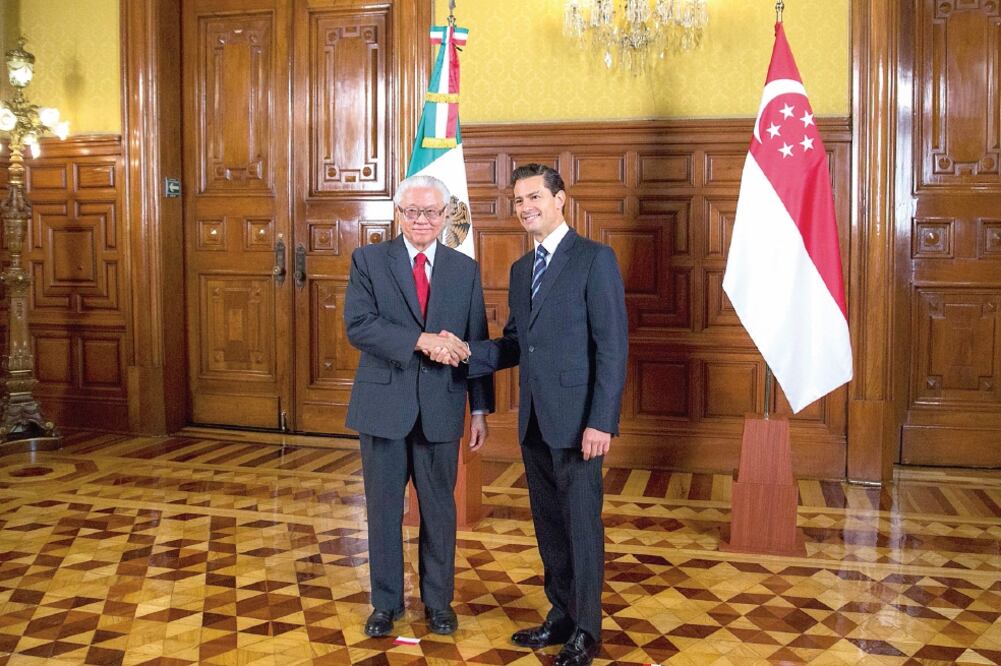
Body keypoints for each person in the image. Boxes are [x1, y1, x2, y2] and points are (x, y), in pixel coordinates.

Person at [431, 163, 627, 666]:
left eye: (535, 197)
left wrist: (601, 421)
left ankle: (587, 628)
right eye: (518, 200)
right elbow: (518, 344)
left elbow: (612, 348)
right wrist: (468, 351)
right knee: (548, 524)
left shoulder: (594, 259)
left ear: (560, 199)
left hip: (582, 423)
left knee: (582, 525)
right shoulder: (523, 270)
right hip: (536, 421)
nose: (526, 208)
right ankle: (560, 614)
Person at [344, 174, 494, 638]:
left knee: (439, 511)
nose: (421, 220)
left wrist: (481, 409)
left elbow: (477, 339)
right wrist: (422, 341)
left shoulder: (463, 269)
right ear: (398, 214)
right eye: (412, 211)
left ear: (446, 215)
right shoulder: (368, 260)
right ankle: (385, 605)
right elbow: (360, 326)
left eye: (430, 212)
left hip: (442, 408)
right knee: (384, 511)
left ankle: (438, 603)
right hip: (383, 407)